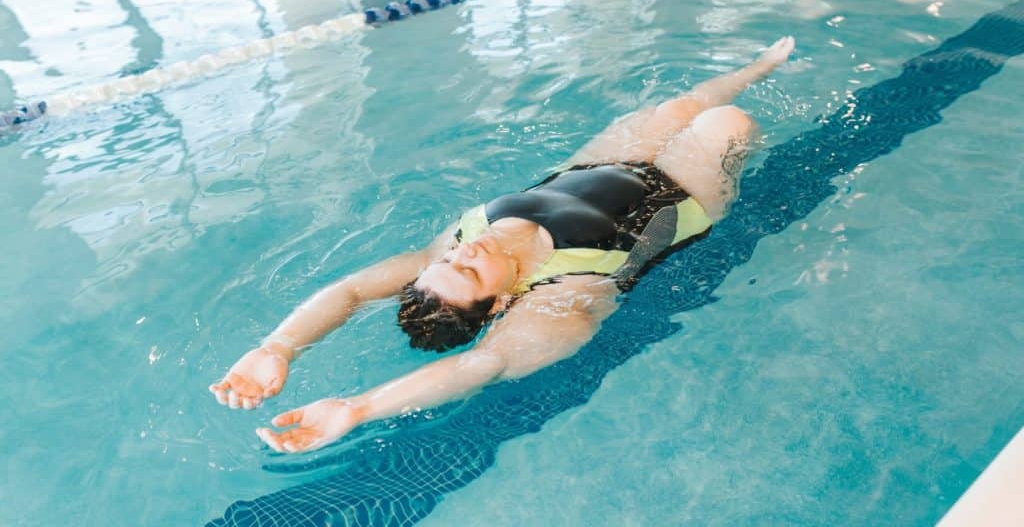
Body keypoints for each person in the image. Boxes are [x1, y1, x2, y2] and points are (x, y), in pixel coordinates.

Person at [209, 36, 797, 453]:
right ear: (499, 304)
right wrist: (358, 408)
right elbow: (482, 364)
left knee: (679, 108)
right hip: (679, 197)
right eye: (467, 273)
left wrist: (278, 347)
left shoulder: (446, 251)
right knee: (727, 124)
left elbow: (351, 290)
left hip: (597, 167)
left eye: (449, 260)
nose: (463, 253)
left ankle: (762, 63)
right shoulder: (559, 301)